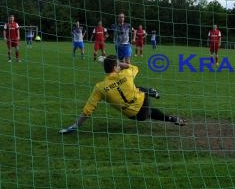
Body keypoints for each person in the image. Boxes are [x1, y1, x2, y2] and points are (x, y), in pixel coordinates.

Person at [58, 55, 187, 134]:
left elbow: (88, 111)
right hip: (143, 103)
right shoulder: (126, 74)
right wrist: (119, 63)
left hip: (132, 115)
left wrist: (75, 126)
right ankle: (152, 92)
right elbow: (134, 67)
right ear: (116, 67)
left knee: (147, 109)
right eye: (117, 65)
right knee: (138, 90)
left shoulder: (100, 87)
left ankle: (172, 119)